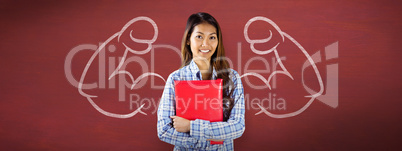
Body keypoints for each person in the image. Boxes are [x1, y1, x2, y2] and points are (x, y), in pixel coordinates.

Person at [157, 12, 245, 151]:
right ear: (188, 39)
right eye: (199, 37)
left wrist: (190, 126)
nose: (206, 44)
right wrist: (209, 139)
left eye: (212, 37)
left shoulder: (232, 78)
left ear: (218, 41)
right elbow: (164, 130)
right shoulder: (176, 78)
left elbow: (238, 127)